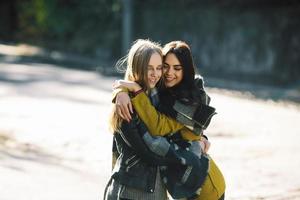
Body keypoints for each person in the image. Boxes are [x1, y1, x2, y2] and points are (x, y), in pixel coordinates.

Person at [113, 41, 226, 200]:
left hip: (205, 185)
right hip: (182, 185)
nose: (168, 72)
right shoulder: (159, 94)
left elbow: (158, 127)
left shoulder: (189, 101)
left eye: (177, 68)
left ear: (185, 71)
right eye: (164, 66)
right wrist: (121, 90)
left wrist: (132, 89)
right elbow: (137, 79)